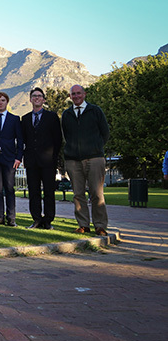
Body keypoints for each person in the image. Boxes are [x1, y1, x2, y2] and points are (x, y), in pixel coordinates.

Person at [61, 85, 110, 236]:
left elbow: (105, 133)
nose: (76, 96)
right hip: (73, 160)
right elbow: (65, 136)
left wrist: (95, 148)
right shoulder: (67, 114)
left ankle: (100, 225)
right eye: (73, 94)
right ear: (70, 97)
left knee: (96, 193)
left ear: (84, 94)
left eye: (78, 93)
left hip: (94, 158)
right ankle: (83, 224)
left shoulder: (95, 111)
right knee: (78, 193)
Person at [21, 87, 62, 230]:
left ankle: (48, 220)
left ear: (43, 100)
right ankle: (36, 219)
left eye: (39, 96)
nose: (37, 98)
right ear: (30, 99)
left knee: (49, 192)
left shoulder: (52, 117)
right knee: (34, 192)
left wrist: (53, 157)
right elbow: (24, 140)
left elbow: (58, 140)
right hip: (32, 161)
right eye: (34, 96)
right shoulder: (25, 119)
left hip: (48, 161)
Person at [0, 92, 23, 227]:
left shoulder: (14, 119)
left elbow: (20, 139)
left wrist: (18, 158)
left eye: (2, 100)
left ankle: (11, 218)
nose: (0, 102)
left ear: (7, 102)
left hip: (9, 159)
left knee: (9, 188)